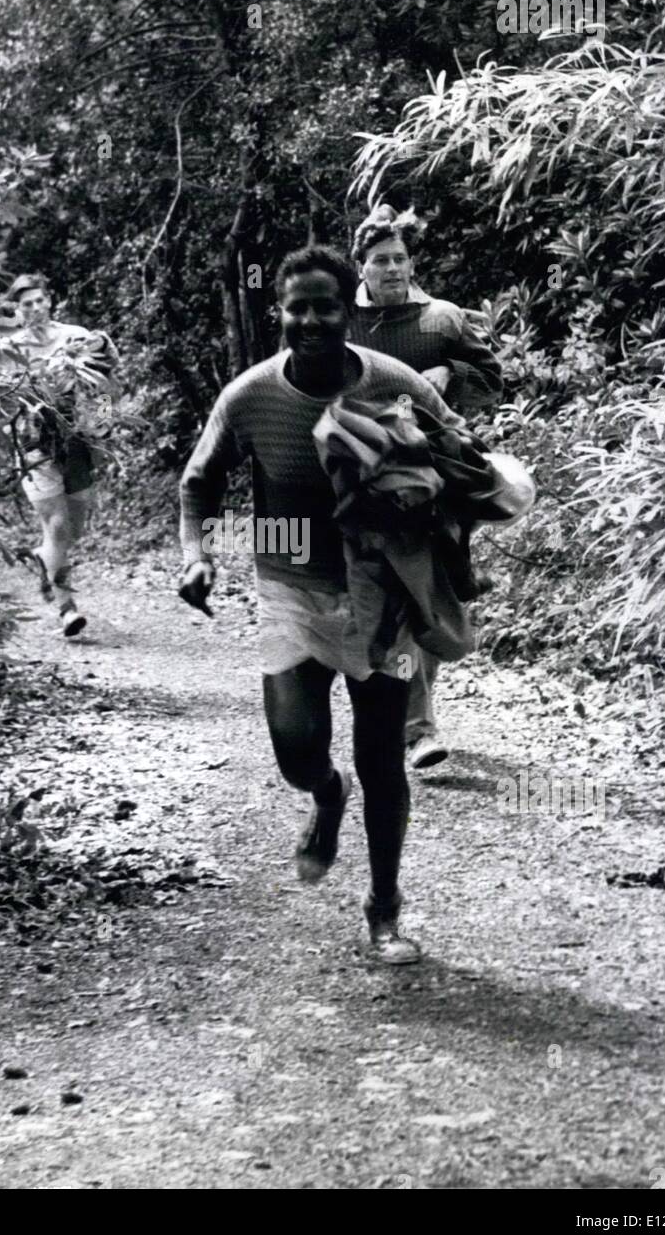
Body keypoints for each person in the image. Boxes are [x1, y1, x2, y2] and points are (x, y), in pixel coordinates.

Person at [178, 244, 468, 965]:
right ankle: (323, 796)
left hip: (383, 598)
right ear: (277, 313)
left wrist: (430, 497)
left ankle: (384, 908)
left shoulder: (393, 383)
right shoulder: (248, 396)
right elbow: (198, 483)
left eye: (325, 306)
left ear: (349, 311)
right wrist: (196, 553)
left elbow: (463, 461)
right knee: (296, 746)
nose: (309, 319)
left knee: (382, 760)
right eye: (295, 307)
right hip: (290, 591)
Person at [348, 205, 503, 770]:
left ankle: (413, 712)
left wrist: (452, 375)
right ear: (359, 267)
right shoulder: (340, 322)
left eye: (401, 259)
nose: (393, 270)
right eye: (380, 261)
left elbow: (492, 382)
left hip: (441, 483)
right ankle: (418, 729)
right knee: (397, 597)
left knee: (434, 605)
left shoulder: (443, 319)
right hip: (366, 486)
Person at [0, 273, 118, 638]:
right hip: (34, 445)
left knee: (74, 530)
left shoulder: (74, 336)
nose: (34, 309)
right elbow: (1, 398)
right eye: (26, 304)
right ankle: (67, 610)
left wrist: (103, 426)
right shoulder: (8, 349)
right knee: (58, 526)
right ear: (17, 310)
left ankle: (43, 558)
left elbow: (104, 378)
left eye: (39, 301)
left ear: (50, 300)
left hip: (77, 440)